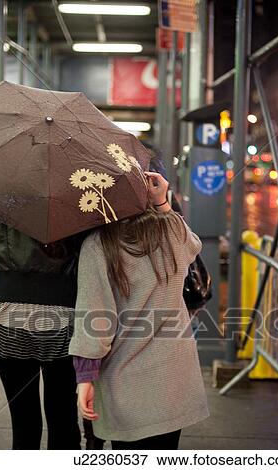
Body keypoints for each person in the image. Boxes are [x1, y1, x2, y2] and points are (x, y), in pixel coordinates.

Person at [69, 172, 209, 450]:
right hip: (175, 379)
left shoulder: (98, 246)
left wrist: (85, 378)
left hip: (127, 379)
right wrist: (162, 203)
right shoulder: (171, 230)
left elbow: (95, 321)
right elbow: (194, 246)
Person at [0, 218, 83, 450]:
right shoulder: (78, 193)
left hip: (9, 315)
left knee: (23, 420)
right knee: (63, 418)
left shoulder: (4, 193)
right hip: (63, 316)